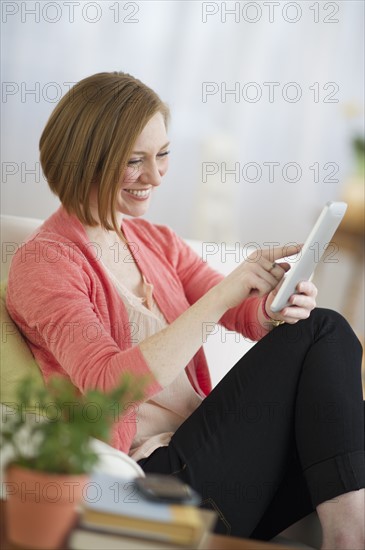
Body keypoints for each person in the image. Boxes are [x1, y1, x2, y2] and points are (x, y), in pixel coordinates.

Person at [6, 72, 364, 549]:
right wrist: (225, 295)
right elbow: (109, 387)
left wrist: (276, 304)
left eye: (163, 154)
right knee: (325, 329)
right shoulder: (46, 263)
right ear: (86, 160)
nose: (155, 176)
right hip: (159, 482)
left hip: (212, 458)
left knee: (334, 370)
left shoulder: (155, 242)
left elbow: (245, 316)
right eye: (135, 161)